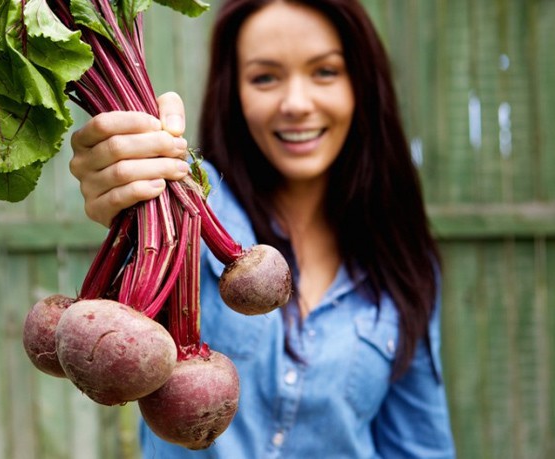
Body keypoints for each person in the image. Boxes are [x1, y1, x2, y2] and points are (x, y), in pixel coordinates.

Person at [69, 0, 457, 457]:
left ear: (361, 84)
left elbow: (418, 446)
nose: (296, 104)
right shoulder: (185, 197)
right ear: (234, 92)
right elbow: (137, 200)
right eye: (265, 77)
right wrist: (126, 177)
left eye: (325, 72)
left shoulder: (403, 261)